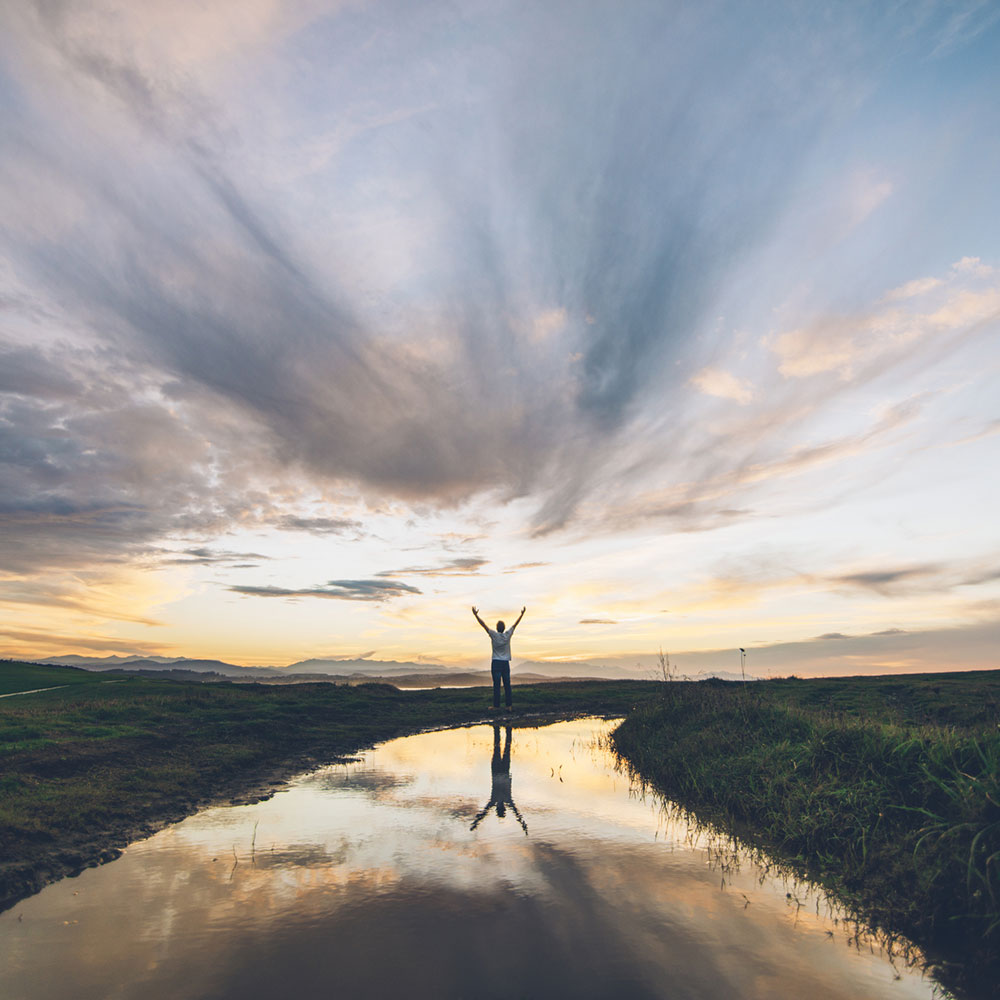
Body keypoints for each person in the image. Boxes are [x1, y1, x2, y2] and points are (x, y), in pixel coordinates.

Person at [470, 723, 528, 835]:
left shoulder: (499, 801)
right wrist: (522, 824)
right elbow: (516, 813)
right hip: (501, 771)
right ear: (500, 809)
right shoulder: (503, 801)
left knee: (504, 747)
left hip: (499, 771)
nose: (500, 808)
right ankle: (503, 728)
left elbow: (485, 812)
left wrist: (476, 822)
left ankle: (502, 728)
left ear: (499, 809)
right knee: (501, 747)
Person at [471, 605, 525, 710]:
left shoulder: (493, 634)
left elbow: (484, 625)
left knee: (496, 686)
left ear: (496, 628)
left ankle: (496, 706)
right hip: (505, 663)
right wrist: (522, 614)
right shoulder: (507, 635)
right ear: (504, 628)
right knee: (507, 685)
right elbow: (515, 624)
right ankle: (509, 706)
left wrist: (476, 615)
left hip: (496, 663)